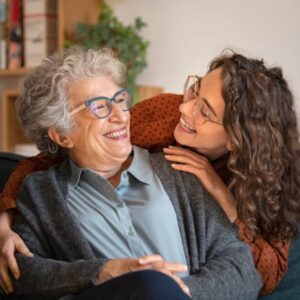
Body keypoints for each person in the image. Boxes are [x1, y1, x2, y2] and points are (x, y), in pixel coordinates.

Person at [1, 50, 298, 296]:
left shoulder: (185, 174)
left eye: (120, 100)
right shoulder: (42, 192)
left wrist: (177, 292)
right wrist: (103, 272)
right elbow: (22, 273)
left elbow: (249, 269)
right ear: (62, 135)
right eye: (100, 107)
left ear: (235, 139)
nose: (121, 115)